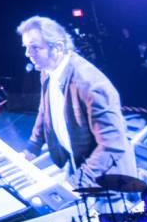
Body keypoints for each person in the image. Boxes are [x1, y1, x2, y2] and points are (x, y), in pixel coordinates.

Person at [18, 16, 136, 187]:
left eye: (34, 47)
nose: (28, 54)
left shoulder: (90, 84)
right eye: (26, 48)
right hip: (79, 163)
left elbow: (112, 146)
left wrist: (76, 183)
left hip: (108, 176)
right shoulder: (47, 71)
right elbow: (45, 112)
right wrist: (31, 148)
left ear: (58, 47)